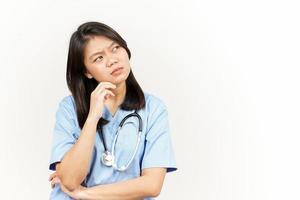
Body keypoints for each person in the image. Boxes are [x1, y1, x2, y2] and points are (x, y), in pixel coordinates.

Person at [48, 21, 177, 200]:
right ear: (87, 72)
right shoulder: (69, 109)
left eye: (115, 48)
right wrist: (93, 117)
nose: (112, 60)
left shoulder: (153, 109)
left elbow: (152, 185)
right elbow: (69, 181)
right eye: (98, 58)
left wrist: (84, 193)